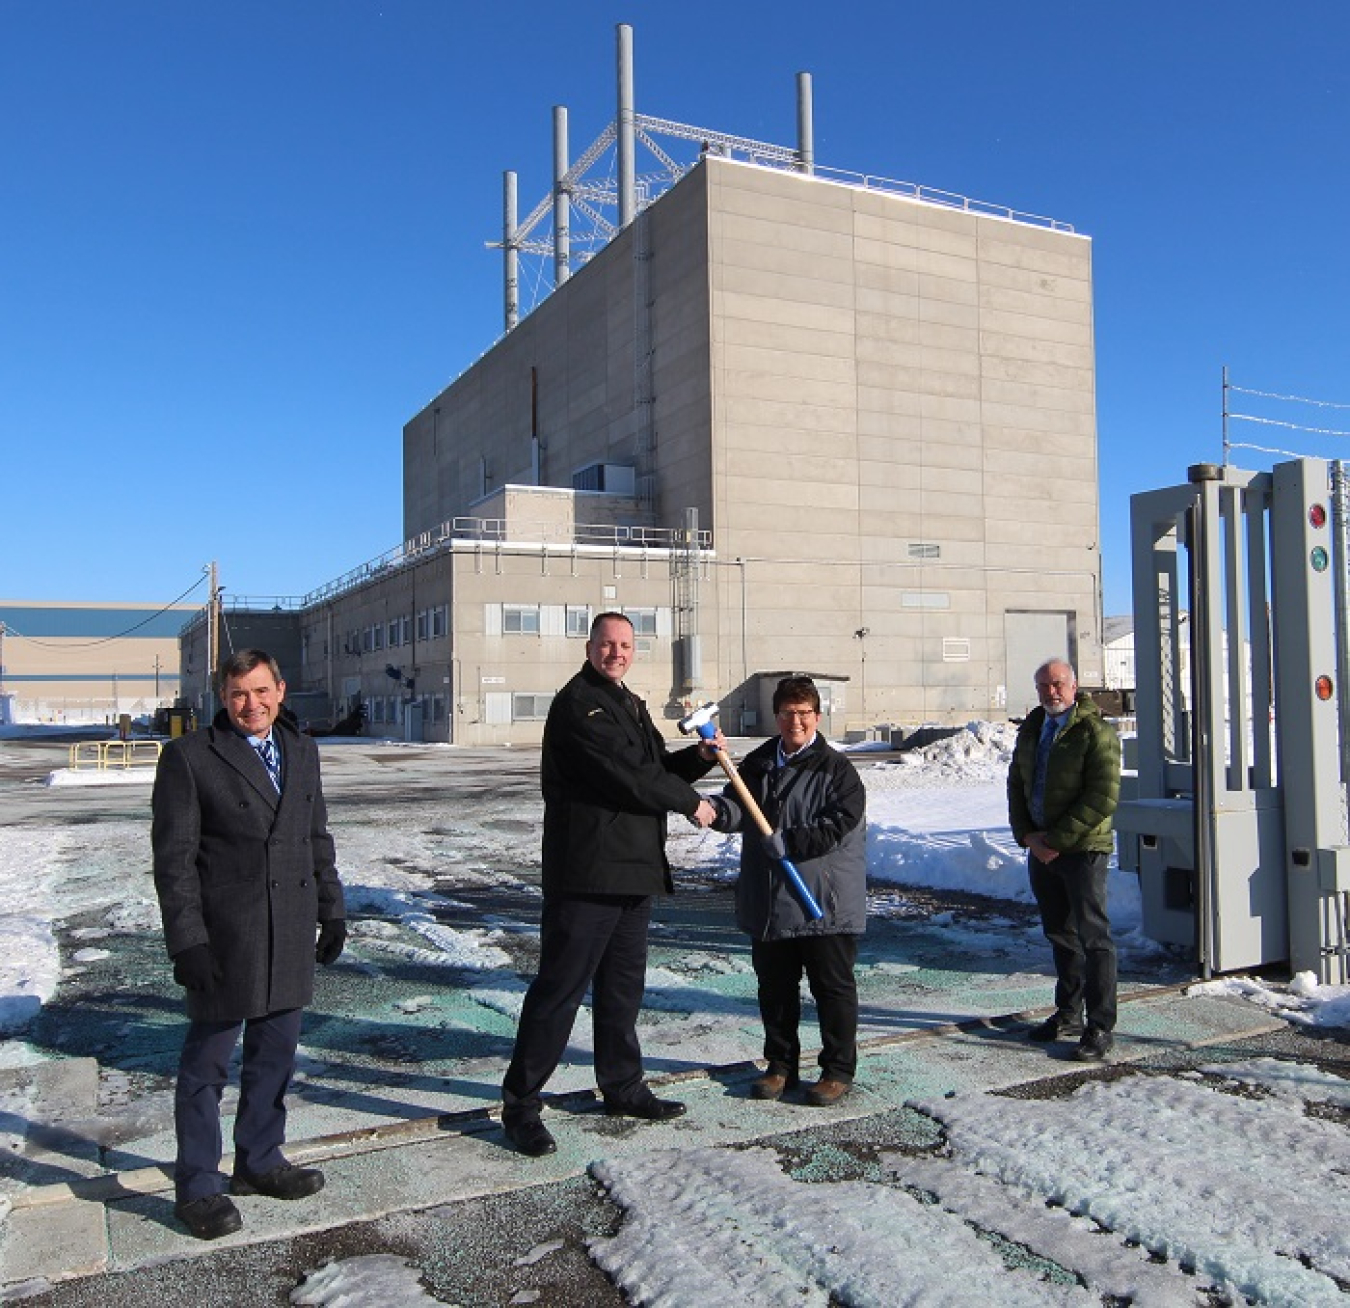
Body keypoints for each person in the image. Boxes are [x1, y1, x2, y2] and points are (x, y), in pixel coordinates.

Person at [500, 612, 724, 1156]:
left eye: (624, 644)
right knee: (560, 990)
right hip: (588, 875)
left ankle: (622, 1086)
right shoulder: (582, 705)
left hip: (633, 871)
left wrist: (696, 760)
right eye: (607, 643)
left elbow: (653, 770)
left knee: (622, 991)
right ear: (590, 646)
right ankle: (521, 1104)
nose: (616, 652)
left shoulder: (628, 700)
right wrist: (691, 802)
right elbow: (628, 777)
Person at [152, 648, 348, 1240]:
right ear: (223, 697)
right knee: (207, 1067)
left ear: (280, 690)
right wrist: (187, 942)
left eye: (261, 691)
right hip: (226, 937)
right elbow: (175, 862)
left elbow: (316, 834)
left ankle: (259, 1161)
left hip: (288, 926)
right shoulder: (189, 758)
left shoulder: (301, 749)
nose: (251, 704)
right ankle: (198, 1186)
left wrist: (332, 909)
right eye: (238, 694)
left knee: (273, 1058)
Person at [709, 676, 867, 1105]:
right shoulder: (759, 763)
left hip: (824, 902)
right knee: (775, 989)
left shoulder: (837, 770)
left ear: (817, 716)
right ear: (776, 717)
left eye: (803, 713)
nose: (794, 721)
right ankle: (781, 1065)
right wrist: (714, 812)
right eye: (786, 713)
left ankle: (837, 1070)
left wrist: (792, 840)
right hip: (771, 899)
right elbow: (739, 805)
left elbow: (839, 825)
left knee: (831, 989)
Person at [1007, 658, 1121, 1062]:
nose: (1050, 692)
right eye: (1043, 686)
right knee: (1060, 934)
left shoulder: (1095, 731)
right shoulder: (1034, 728)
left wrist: (1055, 839)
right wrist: (1027, 835)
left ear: (1074, 685)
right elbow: (1017, 782)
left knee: (1094, 938)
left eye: (1057, 684)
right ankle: (1069, 1012)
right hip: (1043, 850)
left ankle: (1100, 1026)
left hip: (1083, 849)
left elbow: (1103, 794)